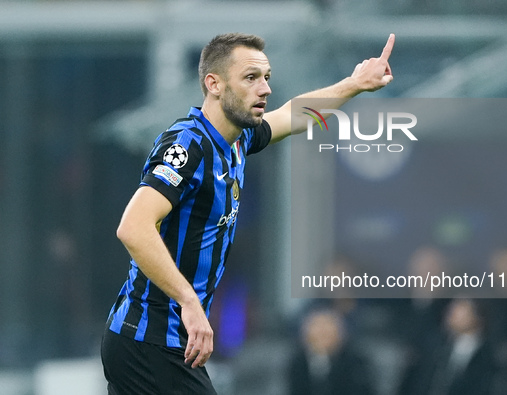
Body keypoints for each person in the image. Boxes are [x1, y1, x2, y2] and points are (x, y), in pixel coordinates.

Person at [101, 32, 396, 394]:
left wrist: (355, 84)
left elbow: (294, 114)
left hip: (162, 342)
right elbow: (133, 227)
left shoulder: (237, 140)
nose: (265, 89)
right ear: (215, 84)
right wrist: (189, 302)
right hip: (148, 340)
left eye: (267, 78)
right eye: (251, 78)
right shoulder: (187, 146)